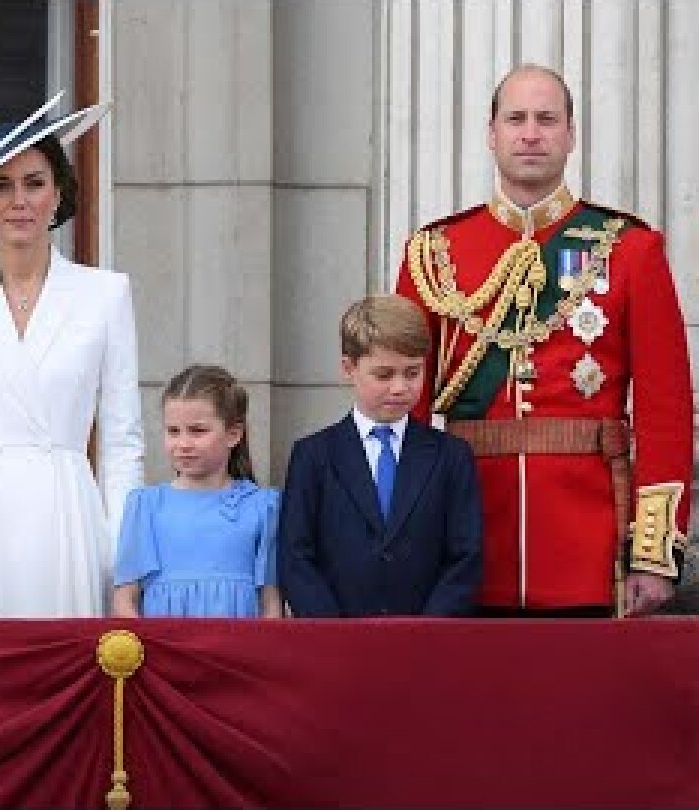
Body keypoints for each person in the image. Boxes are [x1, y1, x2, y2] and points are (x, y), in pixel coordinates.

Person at [394, 64, 693, 617]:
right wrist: (406, 537)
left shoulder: (630, 250)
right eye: (516, 119)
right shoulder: (434, 255)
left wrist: (652, 552)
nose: (531, 133)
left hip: (591, 544)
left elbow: (665, 410)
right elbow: (402, 409)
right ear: (491, 134)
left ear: (571, 135)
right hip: (466, 538)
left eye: (547, 119)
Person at [0, 91, 144, 617]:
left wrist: (123, 556)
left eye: (34, 184)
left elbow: (123, 440)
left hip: (68, 512)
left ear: (59, 193)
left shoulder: (106, 294)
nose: (19, 201)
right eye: (2, 186)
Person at [277, 295, 483, 617]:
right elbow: (296, 555)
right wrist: (333, 631)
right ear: (349, 368)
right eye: (384, 375)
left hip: (427, 643)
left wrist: (429, 630)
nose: (399, 387)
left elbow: (465, 556)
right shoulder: (313, 456)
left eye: (412, 373)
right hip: (338, 644)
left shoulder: (451, 457)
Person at [111, 365, 282, 619]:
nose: (183, 444)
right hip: (165, 651)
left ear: (233, 434)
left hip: (236, 651)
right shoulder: (145, 505)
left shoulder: (262, 506)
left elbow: (270, 603)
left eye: (198, 431)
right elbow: (125, 601)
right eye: (173, 431)